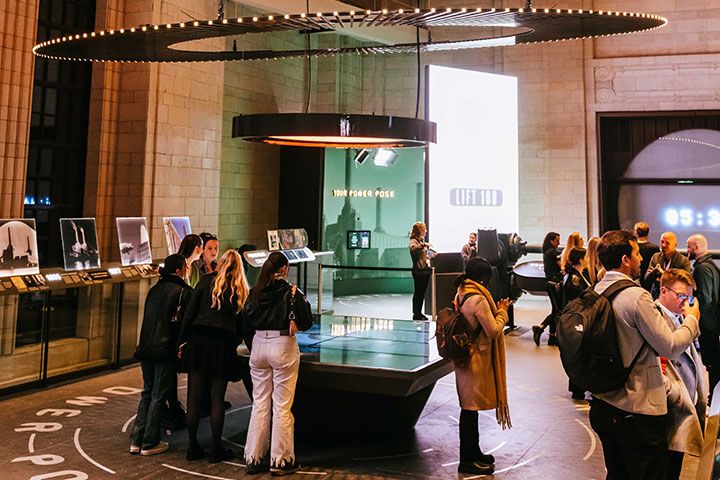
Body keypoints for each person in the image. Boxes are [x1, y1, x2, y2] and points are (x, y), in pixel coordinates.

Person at [589, 230, 699, 480]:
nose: (642, 259)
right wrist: (692, 319)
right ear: (626, 260)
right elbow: (669, 346)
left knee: (617, 473)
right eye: (637, 254)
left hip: (604, 402)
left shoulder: (597, 290)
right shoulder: (636, 297)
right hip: (636, 411)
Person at [243, 251, 313, 476]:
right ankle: (280, 460)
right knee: (282, 406)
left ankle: (253, 457)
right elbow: (307, 320)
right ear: (283, 268)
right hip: (282, 345)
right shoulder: (291, 292)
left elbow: (245, 319)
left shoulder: (255, 292)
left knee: (260, 402)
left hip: (258, 345)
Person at [178, 249, 250, 463]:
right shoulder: (240, 289)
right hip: (222, 345)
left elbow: (189, 313)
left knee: (195, 397)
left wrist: (182, 341)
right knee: (217, 398)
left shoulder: (204, 282)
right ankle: (216, 449)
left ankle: (192, 447)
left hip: (199, 342)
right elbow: (242, 325)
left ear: (219, 264)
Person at [453, 257, 511, 475]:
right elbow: (494, 330)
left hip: (465, 359)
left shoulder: (461, 291)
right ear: (484, 277)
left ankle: (474, 452)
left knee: (470, 409)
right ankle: (466, 460)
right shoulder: (478, 299)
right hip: (476, 362)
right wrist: (503, 310)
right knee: (469, 411)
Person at [130, 254, 192, 456]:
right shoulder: (183, 291)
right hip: (165, 349)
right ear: (181, 269)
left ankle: (136, 439)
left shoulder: (154, 289)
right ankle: (149, 441)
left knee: (147, 392)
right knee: (158, 395)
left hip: (146, 347)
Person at [655, 269, 707, 480]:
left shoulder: (680, 318)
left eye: (689, 297)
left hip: (681, 410)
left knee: (674, 469)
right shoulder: (656, 318)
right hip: (669, 411)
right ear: (663, 291)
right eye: (680, 296)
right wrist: (675, 394)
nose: (685, 302)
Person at [686, 234, 720, 394]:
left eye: (689, 246)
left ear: (697, 247)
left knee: (712, 363)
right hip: (712, 323)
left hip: (708, 324)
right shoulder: (710, 265)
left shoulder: (702, 269)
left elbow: (705, 299)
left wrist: (690, 299)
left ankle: (713, 398)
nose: (687, 250)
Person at [562, 247, 591, 400]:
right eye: (585, 257)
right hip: (577, 319)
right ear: (580, 259)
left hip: (577, 318)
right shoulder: (575, 279)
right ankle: (578, 387)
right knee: (579, 354)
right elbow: (580, 299)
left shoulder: (577, 275)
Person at [532, 232, 561, 346]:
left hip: (549, 283)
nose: (558, 243)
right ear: (551, 241)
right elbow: (561, 266)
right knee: (557, 310)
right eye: (557, 241)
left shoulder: (546, 252)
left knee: (555, 309)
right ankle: (540, 327)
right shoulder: (554, 253)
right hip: (555, 284)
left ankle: (552, 337)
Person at [643, 231, 691, 298]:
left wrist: (663, 274)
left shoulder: (683, 261)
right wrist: (654, 272)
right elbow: (646, 280)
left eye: (667, 243)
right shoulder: (656, 257)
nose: (663, 245)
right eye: (662, 242)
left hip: (674, 299)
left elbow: (685, 283)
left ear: (675, 245)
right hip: (657, 297)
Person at [409, 222, 431, 320]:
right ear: (419, 230)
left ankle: (419, 312)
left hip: (425, 271)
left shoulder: (421, 240)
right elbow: (413, 249)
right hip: (418, 271)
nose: (426, 231)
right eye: (424, 229)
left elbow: (424, 255)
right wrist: (423, 245)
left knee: (421, 293)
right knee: (418, 292)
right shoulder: (413, 241)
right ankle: (416, 313)